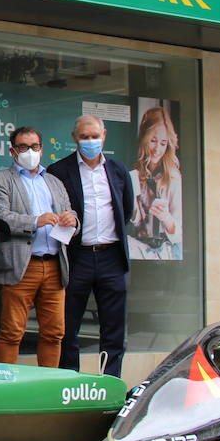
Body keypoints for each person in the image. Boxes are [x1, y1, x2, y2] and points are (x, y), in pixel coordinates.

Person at [48, 115, 134, 377]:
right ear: (75, 138)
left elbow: (126, 211)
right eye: (84, 137)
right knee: (69, 326)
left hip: (112, 257)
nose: (90, 141)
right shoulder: (59, 171)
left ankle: (110, 381)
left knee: (113, 328)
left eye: (94, 136)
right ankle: (69, 380)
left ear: (104, 135)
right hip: (77, 258)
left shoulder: (118, 171)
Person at [0, 126, 78, 367]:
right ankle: (5, 390)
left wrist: (73, 220)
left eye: (34, 147)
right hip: (21, 266)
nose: (30, 152)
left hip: (55, 266)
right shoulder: (0, 180)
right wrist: (35, 221)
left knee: (54, 333)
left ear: (42, 149)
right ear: (13, 151)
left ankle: (47, 388)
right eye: (23, 147)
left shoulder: (54, 181)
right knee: (12, 333)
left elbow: (70, 211)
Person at [128, 106, 182, 261]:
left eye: (163, 143)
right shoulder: (136, 174)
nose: (157, 149)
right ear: (144, 139)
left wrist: (166, 217)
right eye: (153, 141)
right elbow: (137, 222)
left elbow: (179, 234)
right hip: (140, 246)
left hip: (167, 250)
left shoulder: (173, 178)